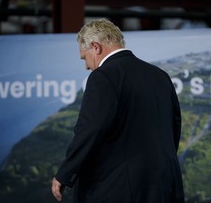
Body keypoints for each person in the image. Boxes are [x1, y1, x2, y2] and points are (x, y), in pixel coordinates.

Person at [51, 18, 185, 203]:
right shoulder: (160, 75)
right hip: (165, 184)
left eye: (85, 57)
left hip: (121, 188)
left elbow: (90, 129)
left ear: (96, 47)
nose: (86, 66)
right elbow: (174, 127)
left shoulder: (103, 77)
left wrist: (65, 173)